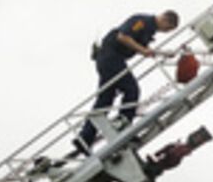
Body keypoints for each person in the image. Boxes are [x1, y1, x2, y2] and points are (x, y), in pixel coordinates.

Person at [75, 10, 179, 154]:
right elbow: (123, 37)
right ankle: (124, 125)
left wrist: (163, 53)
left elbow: (144, 47)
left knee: (105, 100)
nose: (165, 32)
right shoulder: (142, 21)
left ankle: (85, 138)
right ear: (165, 20)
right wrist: (142, 50)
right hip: (111, 57)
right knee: (131, 89)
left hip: (110, 59)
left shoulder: (149, 30)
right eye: (167, 29)